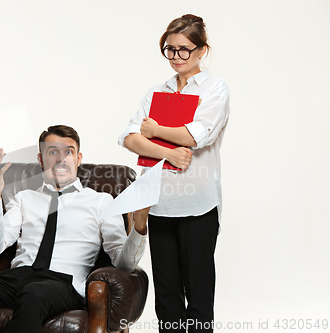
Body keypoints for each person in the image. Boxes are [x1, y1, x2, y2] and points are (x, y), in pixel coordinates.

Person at [0, 125, 149, 333]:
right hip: (16, 278)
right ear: (41, 159)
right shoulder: (23, 198)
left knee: (35, 292)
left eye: (68, 152)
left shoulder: (101, 202)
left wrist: (139, 225)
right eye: (53, 152)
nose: (61, 158)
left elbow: (123, 263)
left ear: (78, 159)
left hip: (62, 283)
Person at [118, 14, 231, 332]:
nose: (176, 57)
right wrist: (168, 148)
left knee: (198, 296)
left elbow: (197, 136)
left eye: (184, 49)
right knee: (166, 297)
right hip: (159, 204)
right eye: (170, 49)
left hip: (198, 205)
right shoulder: (155, 92)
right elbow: (129, 138)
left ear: (201, 50)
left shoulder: (214, 90)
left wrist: (155, 130)